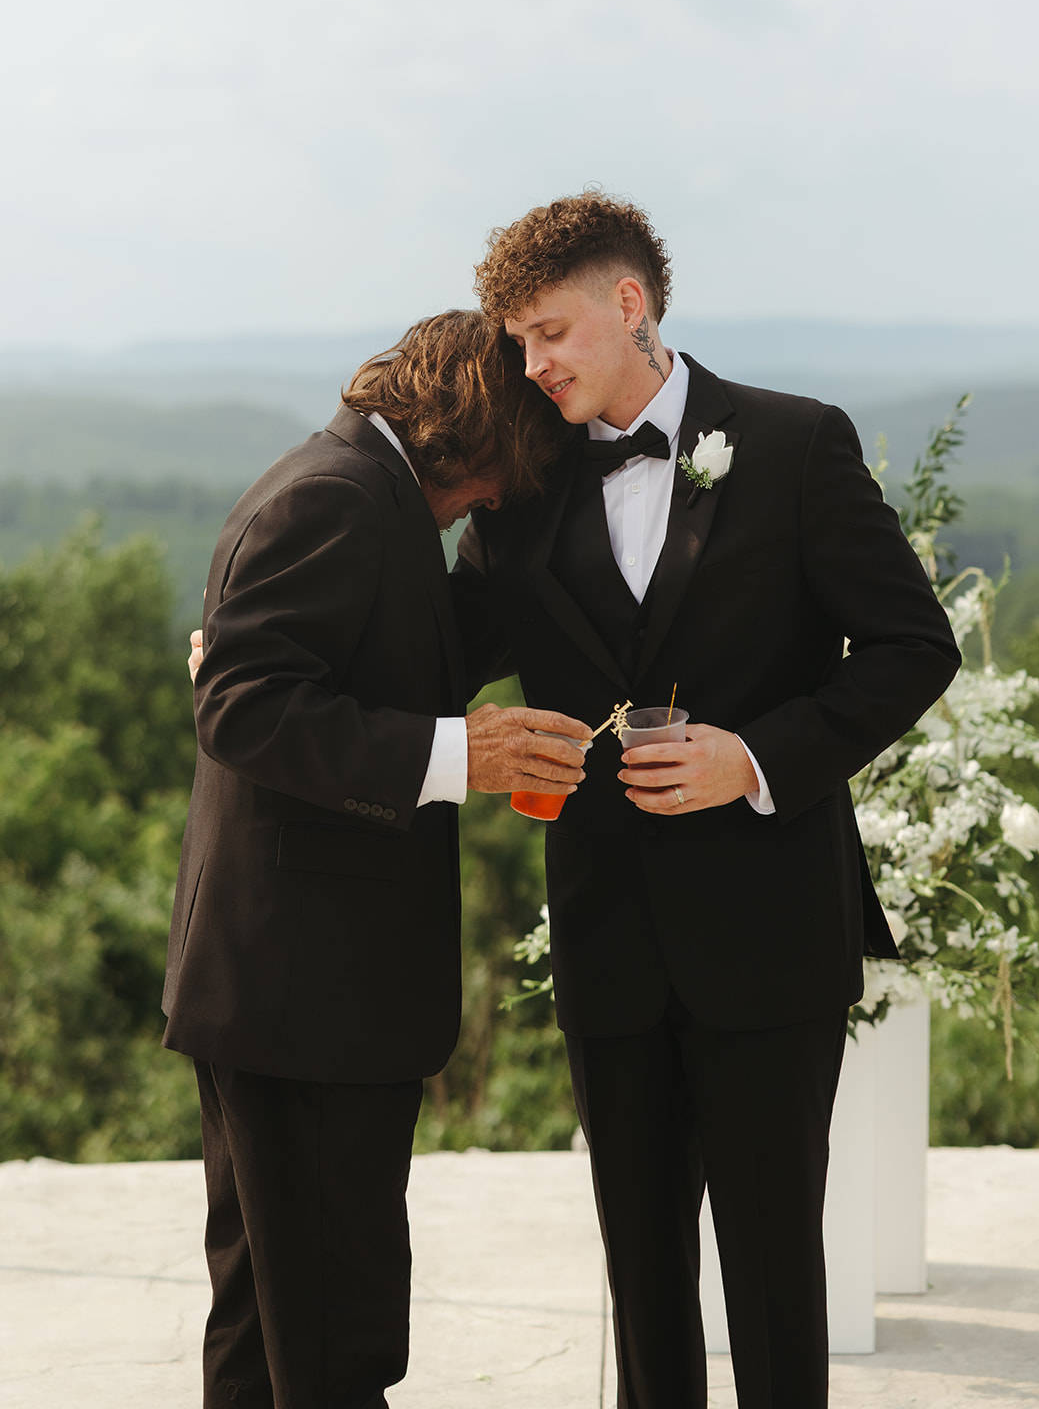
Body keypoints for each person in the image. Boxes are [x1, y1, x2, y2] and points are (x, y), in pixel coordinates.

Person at [451, 193, 962, 1409]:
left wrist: (757, 757)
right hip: (605, 933)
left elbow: (910, 645)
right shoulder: (518, 488)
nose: (531, 365)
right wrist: (273, 638)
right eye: (516, 340)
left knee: (777, 1269)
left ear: (628, 306)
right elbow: (438, 646)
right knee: (640, 1272)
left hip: (770, 930)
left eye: (548, 333)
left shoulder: (792, 445)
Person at [163, 309, 591, 1409]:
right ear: (472, 427)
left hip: (288, 996)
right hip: (305, 998)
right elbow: (245, 706)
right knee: (334, 1334)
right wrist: (462, 751)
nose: (500, 496)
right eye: (510, 467)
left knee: (268, 1323)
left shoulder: (368, 493)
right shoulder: (334, 499)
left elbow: (408, 639)